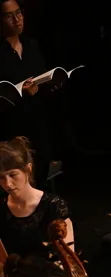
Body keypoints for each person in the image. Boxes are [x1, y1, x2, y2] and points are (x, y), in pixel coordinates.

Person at [0, 0, 53, 189]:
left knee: (41, 176)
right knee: (16, 179)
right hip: (11, 127)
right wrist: (20, 91)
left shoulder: (31, 45)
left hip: (37, 122)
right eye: (9, 15)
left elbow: (42, 75)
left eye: (19, 13)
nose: (17, 19)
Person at [0, 136, 73, 259]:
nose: (7, 183)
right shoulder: (1, 207)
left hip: (50, 276)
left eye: (13, 175)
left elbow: (67, 260)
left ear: (28, 169)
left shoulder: (54, 206)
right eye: (1, 177)